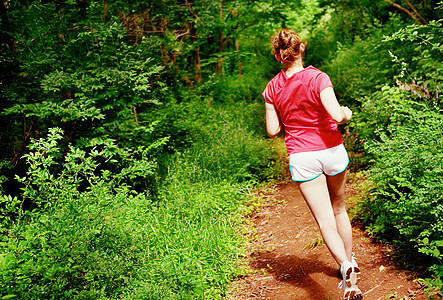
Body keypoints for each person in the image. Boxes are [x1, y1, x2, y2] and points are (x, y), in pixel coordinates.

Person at [262, 28, 363, 300]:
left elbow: (273, 131)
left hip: (302, 155)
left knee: (324, 219)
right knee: (339, 209)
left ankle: (344, 267)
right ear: (301, 48)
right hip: (330, 149)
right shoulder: (319, 77)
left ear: (277, 55)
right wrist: (347, 113)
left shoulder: (271, 88)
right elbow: (337, 115)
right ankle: (351, 261)